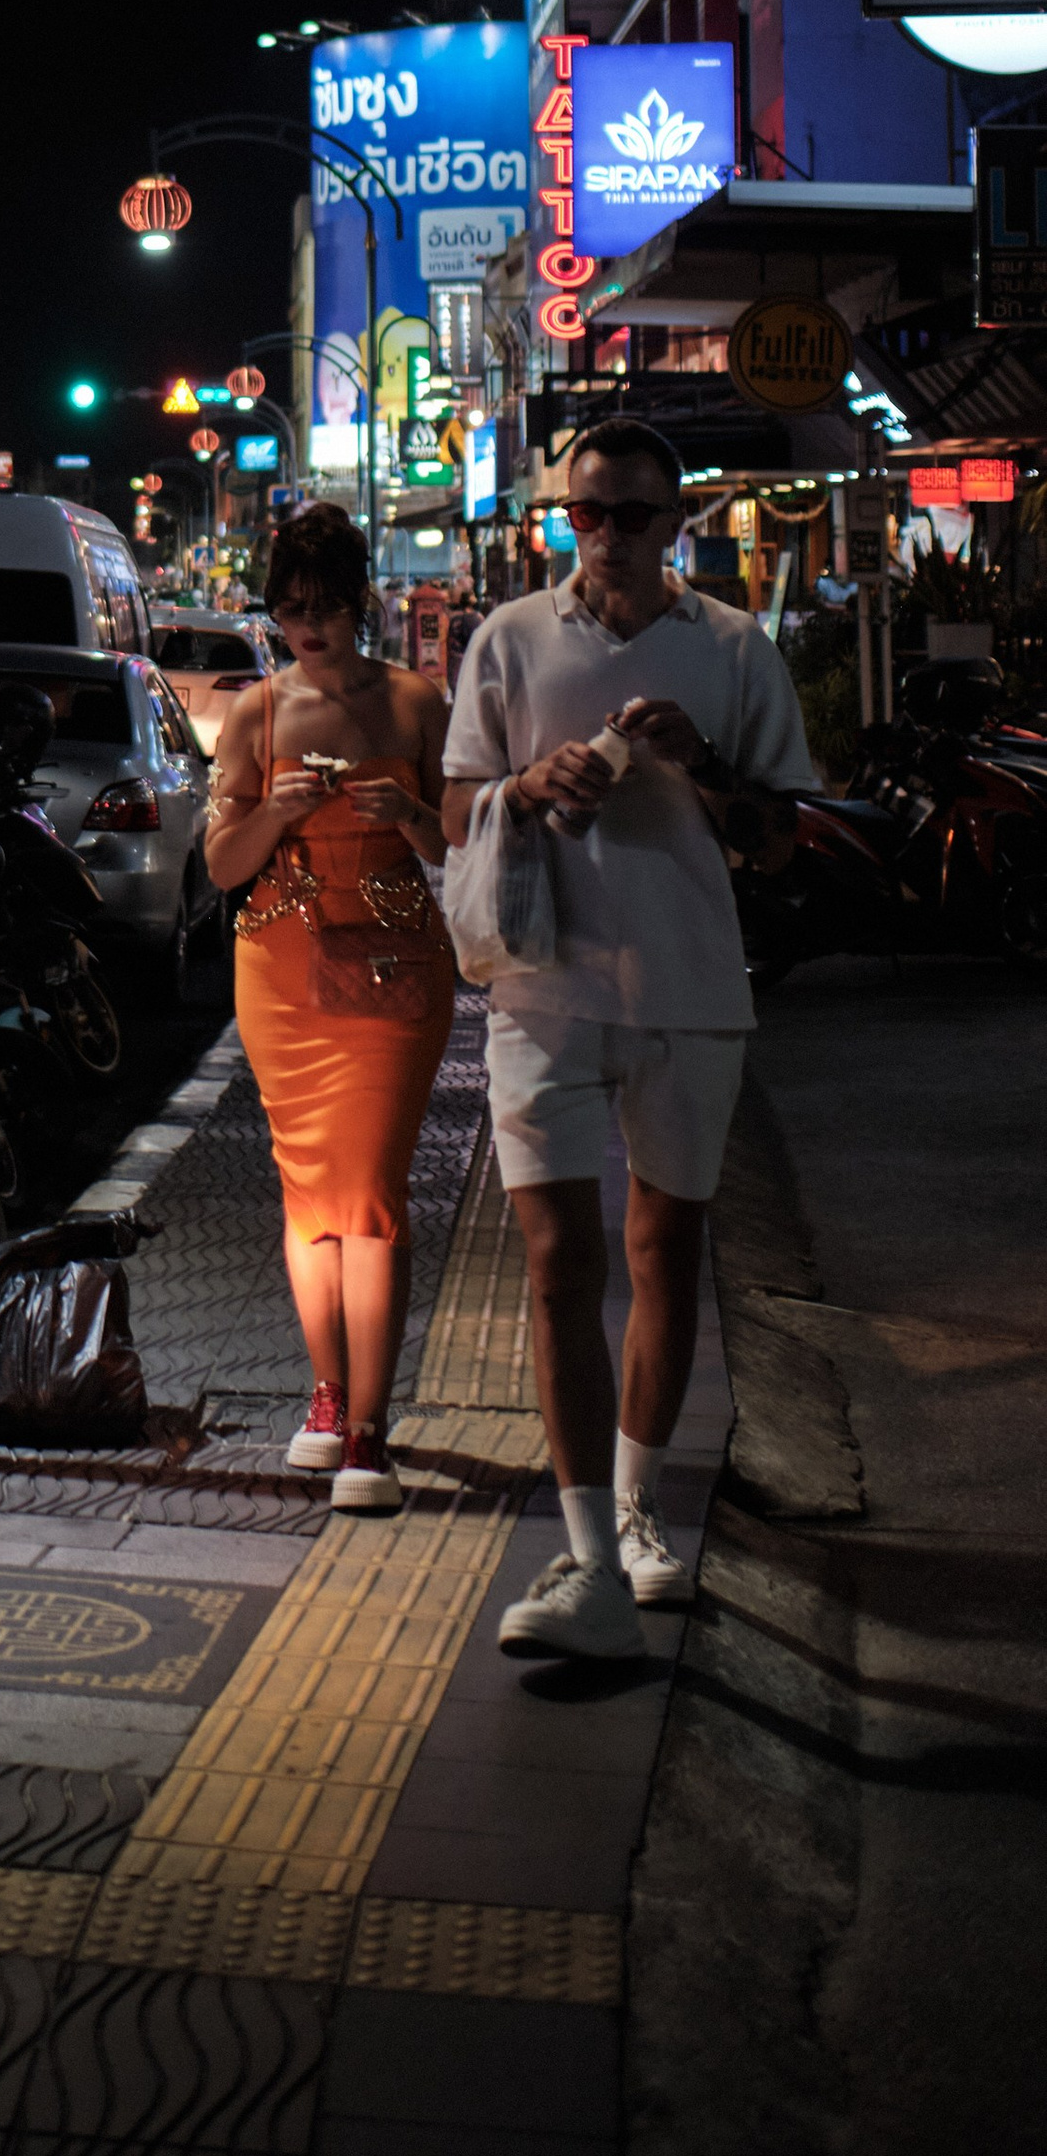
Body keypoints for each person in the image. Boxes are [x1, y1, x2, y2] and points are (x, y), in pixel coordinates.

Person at [441, 417, 813, 1661]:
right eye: (585, 514)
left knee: (663, 1248)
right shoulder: (509, 638)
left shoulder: (732, 648)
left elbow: (776, 838)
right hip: (544, 986)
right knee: (558, 1264)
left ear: (676, 523)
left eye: (633, 515)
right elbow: (453, 806)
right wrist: (527, 787)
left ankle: (642, 1509)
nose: (605, 536)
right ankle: (589, 1549)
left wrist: (697, 764)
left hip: (691, 988)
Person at [203, 503, 455, 1511]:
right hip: (281, 962)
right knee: (308, 1196)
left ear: (361, 604)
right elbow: (221, 864)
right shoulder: (257, 713)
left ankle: (368, 1430)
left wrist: (414, 815)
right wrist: (275, 809)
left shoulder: (414, 704)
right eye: (290, 609)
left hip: (393, 958)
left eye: (326, 608)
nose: (309, 628)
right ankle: (326, 1394)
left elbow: (456, 845)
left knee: (371, 1197)